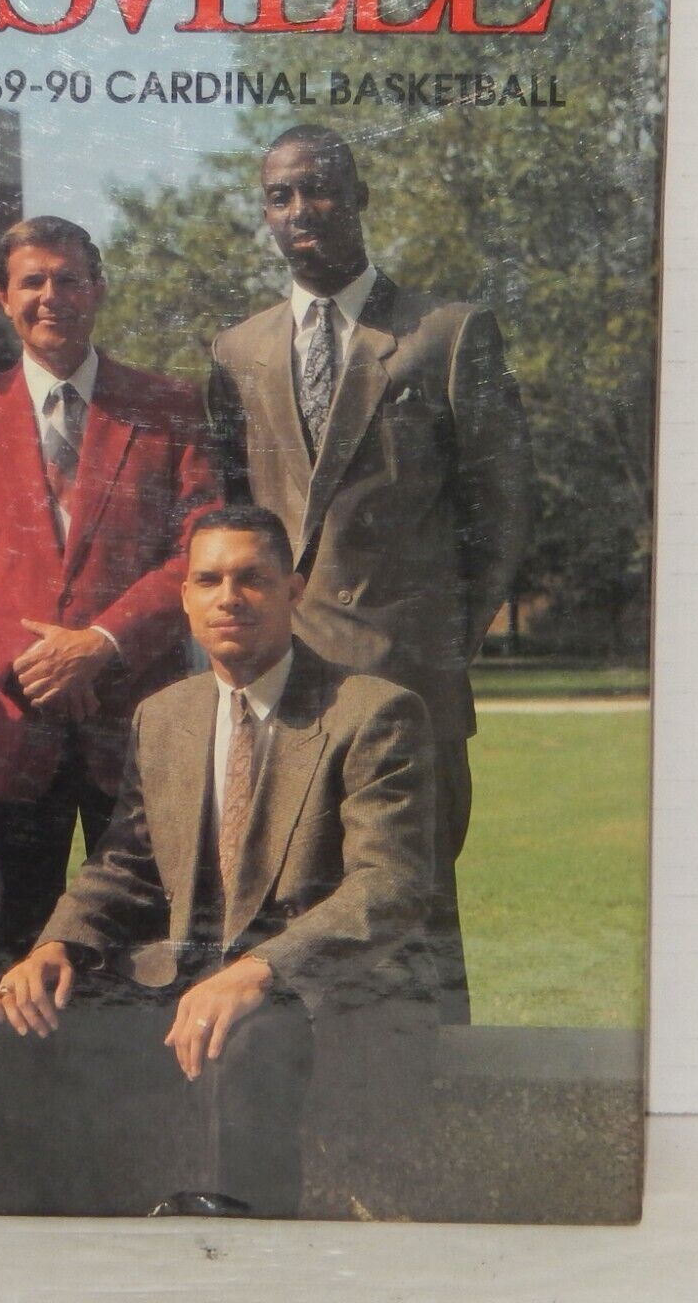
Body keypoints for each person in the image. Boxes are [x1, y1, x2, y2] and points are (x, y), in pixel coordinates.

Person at [0, 506, 435, 1218]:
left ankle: (234, 1244)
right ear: (186, 596)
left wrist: (258, 971)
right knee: (28, 1017)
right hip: (175, 976)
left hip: (301, 990)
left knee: (248, 1041)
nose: (228, 598)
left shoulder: (372, 712)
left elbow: (388, 885)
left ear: (294, 592)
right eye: (208, 580)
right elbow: (129, 862)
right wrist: (57, 944)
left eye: (251, 579)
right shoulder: (164, 715)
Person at [208, 126, 533, 1021]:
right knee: (287, 924)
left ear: (358, 198)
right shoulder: (237, 352)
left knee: (414, 919)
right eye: (279, 195)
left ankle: (426, 1102)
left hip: (409, 682)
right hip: (284, 686)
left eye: (318, 188)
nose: (299, 209)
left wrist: (446, 637)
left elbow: (502, 508)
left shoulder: (446, 333)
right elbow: (237, 518)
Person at [0, 216, 220, 962]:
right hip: (12, 723)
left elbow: (199, 549)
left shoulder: (169, 406)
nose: (53, 296)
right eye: (33, 281)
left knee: (147, 951)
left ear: (98, 290)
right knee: (11, 951)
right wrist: (30, 663)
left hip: (137, 718)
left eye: (70, 279)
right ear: (1, 295)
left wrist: (101, 645)